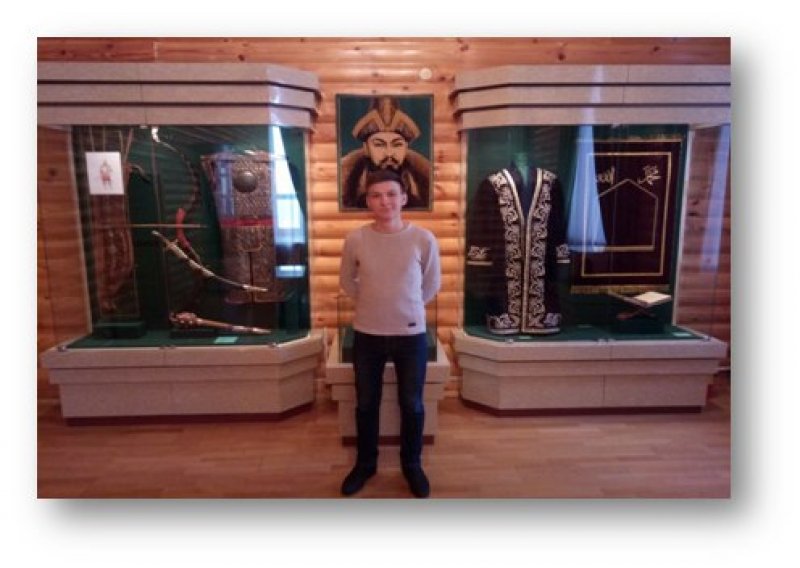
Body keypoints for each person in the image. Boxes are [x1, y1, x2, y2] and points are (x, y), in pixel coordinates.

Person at [338, 169, 441, 497]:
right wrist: (373, 302)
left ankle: (412, 464)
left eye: (391, 194)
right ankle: (365, 464)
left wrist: (407, 305)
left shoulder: (423, 239)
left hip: (411, 335)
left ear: (404, 198)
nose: (385, 201)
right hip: (367, 333)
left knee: (412, 403)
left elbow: (431, 284)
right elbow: (347, 282)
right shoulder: (355, 240)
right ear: (368, 201)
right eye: (376, 195)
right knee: (367, 403)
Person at [340, 96, 431, 210]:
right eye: (379, 145)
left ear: (406, 148)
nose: (389, 153)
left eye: (397, 145)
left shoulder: (424, 174)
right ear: (366, 148)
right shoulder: (346, 175)